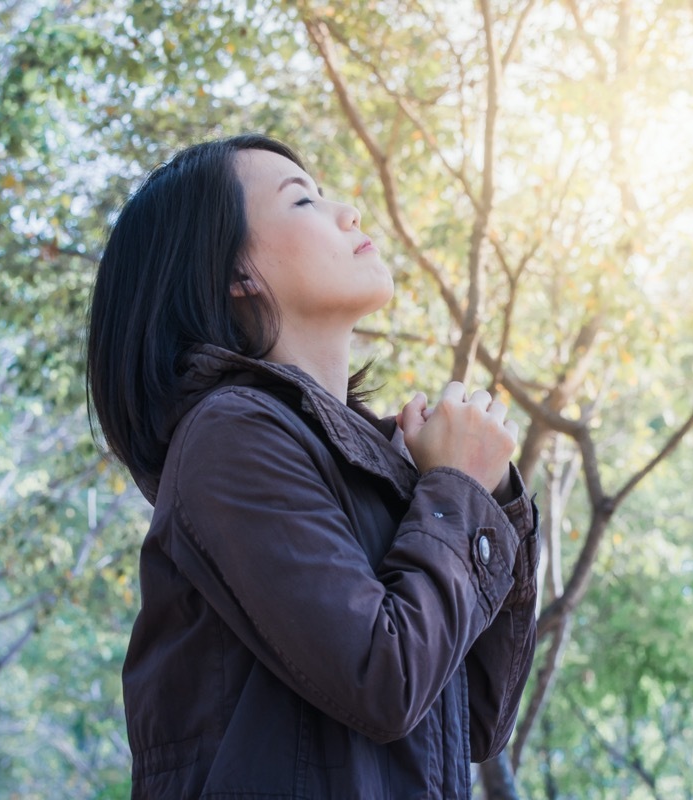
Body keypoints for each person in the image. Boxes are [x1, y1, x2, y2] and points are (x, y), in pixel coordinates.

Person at [86, 133, 539, 798]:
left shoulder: (383, 469)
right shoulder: (231, 434)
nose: (349, 212)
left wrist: (487, 496)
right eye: (302, 200)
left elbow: (473, 720)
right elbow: (385, 680)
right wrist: (459, 491)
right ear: (235, 275)